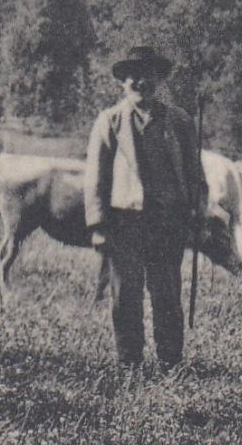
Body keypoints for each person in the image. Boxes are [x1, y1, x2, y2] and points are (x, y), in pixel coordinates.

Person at [83, 45, 207, 369]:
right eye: (134, 76)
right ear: (123, 82)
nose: (141, 82)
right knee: (125, 295)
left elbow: (195, 171)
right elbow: (95, 178)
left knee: (166, 293)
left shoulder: (178, 121)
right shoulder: (109, 122)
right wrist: (98, 227)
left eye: (148, 75)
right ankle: (130, 362)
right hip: (125, 223)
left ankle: (170, 362)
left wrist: (197, 210)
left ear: (158, 80)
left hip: (168, 222)